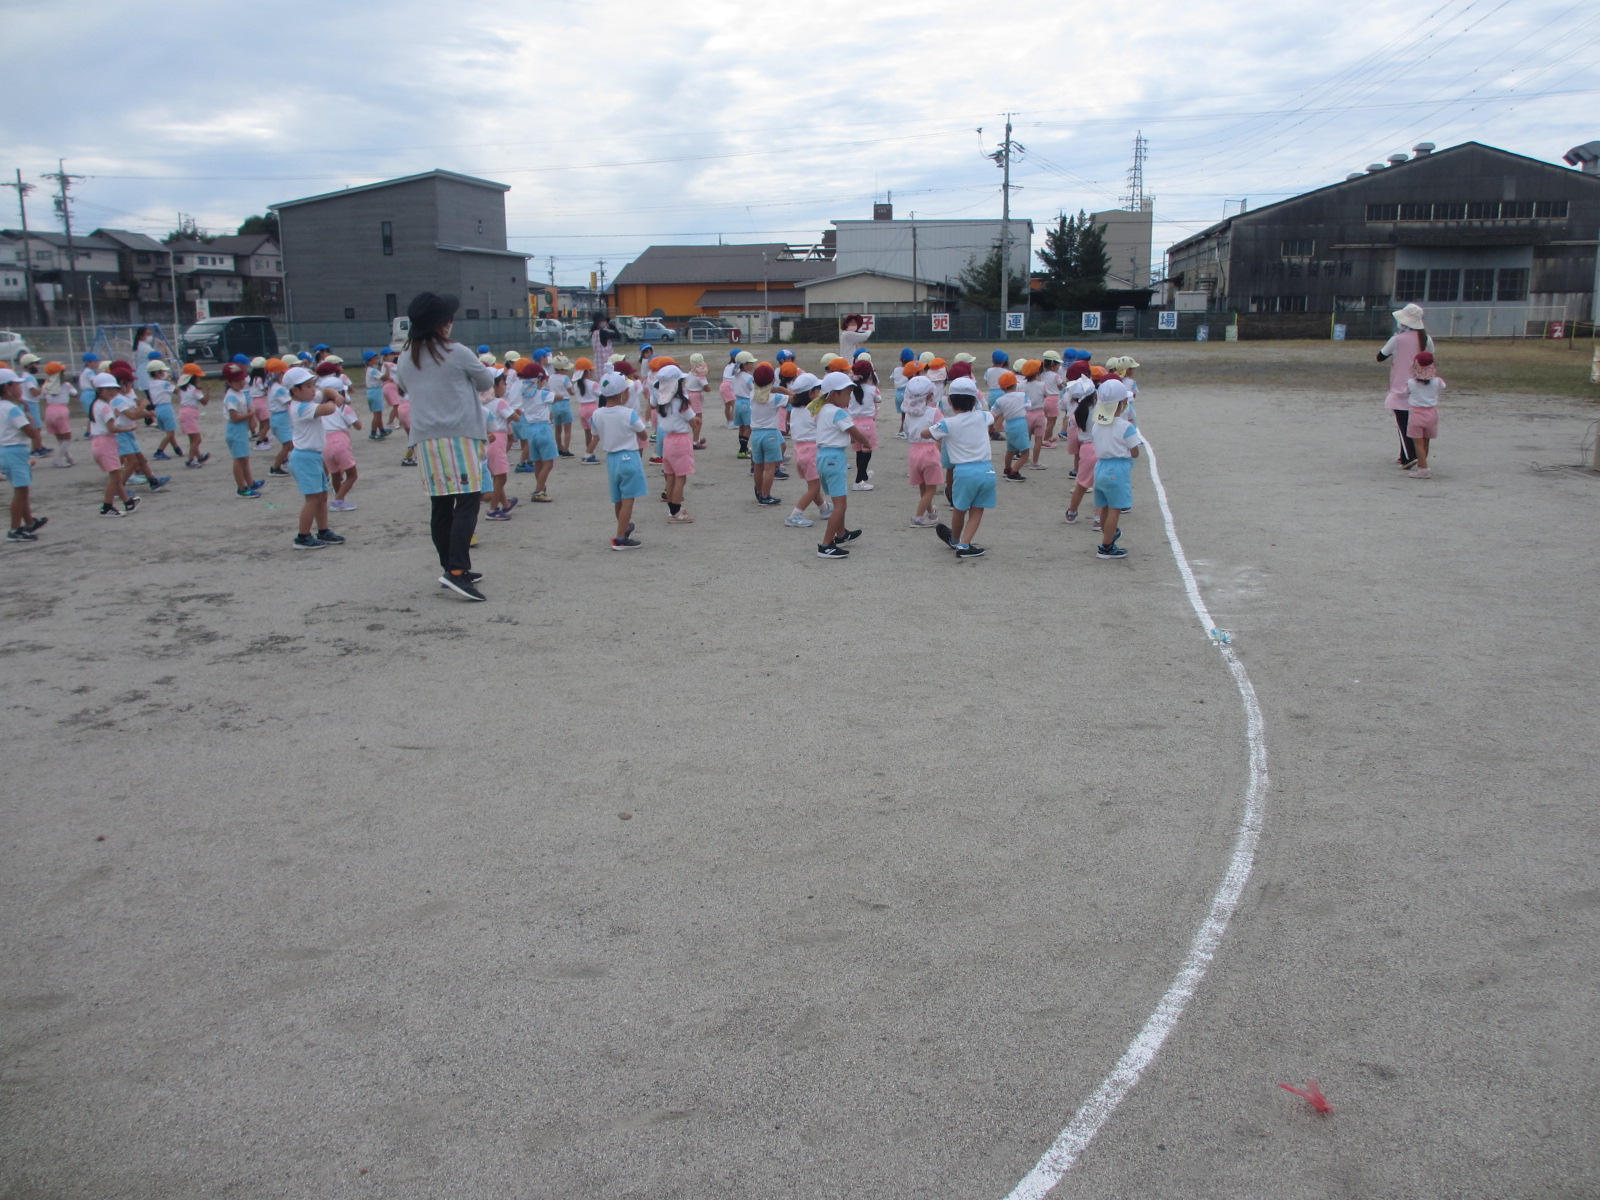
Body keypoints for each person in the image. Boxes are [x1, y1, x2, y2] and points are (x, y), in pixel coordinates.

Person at [396, 291, 495, 599]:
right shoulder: (456, 351)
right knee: (467, 501)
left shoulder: (405, 356)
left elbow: (404, 386)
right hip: (459, 436)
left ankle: (451, 567)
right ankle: (456, 570)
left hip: (425, 439)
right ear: (441, 324)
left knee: (441, 505)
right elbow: (486, 382)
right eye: (448, 319)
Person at [924, 377, 994, 558]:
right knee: (977, 510)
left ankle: (956, 540)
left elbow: (926, 433)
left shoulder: (949, 423)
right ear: (975, 400)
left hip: (964, 472)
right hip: (987, 470)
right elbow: (991, 416)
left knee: (959, 508)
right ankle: (965, 543)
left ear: (949, 401)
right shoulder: (984, 416)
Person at [282, 365, 346, 550]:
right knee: (312, 498)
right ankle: (302, 536)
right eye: (308, 386)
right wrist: (333, 401)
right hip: (304, 458)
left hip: (313, 456)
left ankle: (323, 530)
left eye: (312, 385)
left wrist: (334, 394)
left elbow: (326, 391)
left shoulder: (307, 398)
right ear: (295, 390)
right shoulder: (300, 407)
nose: (313, 390)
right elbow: (327, 409)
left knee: (322, 496)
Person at [812, 370, 870, 559]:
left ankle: (842, 534)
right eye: (847, 393)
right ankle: (826, 545)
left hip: (822, 457)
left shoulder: (822, 409)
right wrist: (866, 442)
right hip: (834, 459)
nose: (849, 397)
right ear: (834, 393)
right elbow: (854, 432)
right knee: (840, 505)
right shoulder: (838, 412)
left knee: (838, 500)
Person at [591, 372, 648, 549]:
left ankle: (622, 529)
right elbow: (643, 434)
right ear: (621, 393)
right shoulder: (628, 413)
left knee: (618, 498)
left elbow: (596, 434)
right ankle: (620, 538)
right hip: (629, 457)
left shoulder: (597, 413)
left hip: (612, 459)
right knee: (628, 498)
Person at [1089, 377, 1143, 560]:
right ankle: (1106, 545)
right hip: (1117, 469)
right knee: (1115, 508)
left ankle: (1108, 536)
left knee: (1103, 507)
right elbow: (1135, 452)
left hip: (1100, 467)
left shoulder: (1097, 425)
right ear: (1123, 402)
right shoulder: (1125, 426)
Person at [1378, 303, 1434, 470]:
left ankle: (1409, 455)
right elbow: (1429, 357)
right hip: (1421, 385)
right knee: (1415, 421)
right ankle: (1409, 454)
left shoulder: (1397, 339)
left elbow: (1380, 356)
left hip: (1401, 386)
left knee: (1403, 423)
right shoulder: (1426, 339)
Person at [0, 368, 47, 542]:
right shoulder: (12, 409)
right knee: (21, 492)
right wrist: (31, 420)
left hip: (5, 450)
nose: (20, 388)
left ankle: (28, 522)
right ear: (7, 387)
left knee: (22, 490)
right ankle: (15, 528)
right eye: (16, 385)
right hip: (15, 451)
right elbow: (31, 433)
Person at [653, 364, 700, 523]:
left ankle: (672, 510)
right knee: (681, 478)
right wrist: (695, 423)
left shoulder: (661, 401)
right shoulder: (681, 402)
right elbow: (692, 422)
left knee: (671, 476)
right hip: (681, 440)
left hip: (668, 440)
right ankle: (677, 512)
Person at [87, 372, 138, 516]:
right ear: (99, 390)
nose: (111, 391)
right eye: (107, 389)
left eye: (113, 388)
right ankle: (107, 506)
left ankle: (128, 502)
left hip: (98, 443)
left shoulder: (97, 404)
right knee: (115, 477)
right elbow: (112, 428)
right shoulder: (104, 406)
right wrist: (130, 428)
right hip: (106, 442)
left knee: (115, 474)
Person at [902, 373, 944, 528]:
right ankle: (918, 517)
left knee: (923, 485)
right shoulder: (934, 412)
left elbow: (907, 431)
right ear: (929, 395)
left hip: (914, 450)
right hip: (929, 450)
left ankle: (931, 511)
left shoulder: (908, 414)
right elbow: (942, 430)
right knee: (932, 487)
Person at [514, 360, 559, 501]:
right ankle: (538, 491)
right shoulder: (543, 394)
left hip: (531, 429)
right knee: (549, 463)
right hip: (543, 428)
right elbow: (560, 397)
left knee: (538, 461)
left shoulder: (524, 395)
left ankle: (540, 486)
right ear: (539, 379)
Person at [320, 370, 363, 512]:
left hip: (324, 443)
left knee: (335, 473)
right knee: (352, 474)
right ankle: (338, 500)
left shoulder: (320, 408)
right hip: (340, 442)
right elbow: (358, 426)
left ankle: (338, 497)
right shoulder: (343, 407)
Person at [220, 363, 262, 498]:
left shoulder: (239, 393)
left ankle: (250, 483)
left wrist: (251, 413)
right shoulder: (231, 396)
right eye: (237, 381)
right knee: (238, 459)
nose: (241, 383)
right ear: (229, 382)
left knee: (244, 458)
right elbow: (235, 417)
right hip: (235, 429)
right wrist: (250, 415)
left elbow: (247, 406)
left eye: (242, 379)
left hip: (241, 429)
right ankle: (241, 487)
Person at [1405, 351, 1443, 479]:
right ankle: (1423, 464)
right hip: (1432, 414)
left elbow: (1406, 391)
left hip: (1416, 414)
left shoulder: (1411, 382)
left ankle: (1423, 469)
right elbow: (1443, 386)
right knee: (1426, 442)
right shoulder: (1437, 381)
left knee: (1418, 443)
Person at [848, 358, 880, 490]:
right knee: (867, 452)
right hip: (868, 423)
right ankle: (859, 479)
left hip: (854, 423)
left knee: (858, 452)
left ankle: (863, 476)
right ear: (869, 375)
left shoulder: (851, 389)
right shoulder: (873, 389)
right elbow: (879, 399)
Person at [992, 370, 1029, 483]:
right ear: (1015, 384)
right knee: (1025, 453)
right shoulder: (1022, 395)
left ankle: (1007, 468)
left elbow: (993, 413)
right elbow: (1029, 405)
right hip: (1020, 423)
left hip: (1009, 424)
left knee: (1010, 449)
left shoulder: (1000, 400)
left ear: (1002, 388)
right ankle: (1014, 472)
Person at [39, 361, 76, 466]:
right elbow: (75, 393)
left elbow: (42, 397)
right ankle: (58, 460)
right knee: (67, 438)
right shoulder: (65, 385)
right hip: (61, 411)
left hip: (49, 411)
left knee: (60, 437)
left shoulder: (46, 385)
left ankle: (69, 458)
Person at [147, 360, 182, 461]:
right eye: (162, 371)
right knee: (170, 433)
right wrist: (176, 382)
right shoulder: (164, 384)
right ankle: (159, 451)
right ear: (157, 372)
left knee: (169, 431)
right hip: (166, 408)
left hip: (157, 408)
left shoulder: (151, 383)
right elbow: (177, 391)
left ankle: (177, 448)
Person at [176, 363, 209, 468]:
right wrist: (208, 391)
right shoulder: (194, 390)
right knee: (197, 439)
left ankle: (199, 456)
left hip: (184, 412)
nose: (199, 379)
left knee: (192, 438)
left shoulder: (182, 388)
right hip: (190, 414)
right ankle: (190, 460)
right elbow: (204, 402)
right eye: (198, 377)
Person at [731, 349, 756, 458]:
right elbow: (754, 389)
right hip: (747, 403)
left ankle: (743, 448)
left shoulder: (735, 376)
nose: (753, 365)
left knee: (741, 427)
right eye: (751, 363)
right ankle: (742, 450)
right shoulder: (749, 377)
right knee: (748, 428)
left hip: (737, 403)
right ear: (745, 364)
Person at [362, 350, 390, 440]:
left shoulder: (369, 370)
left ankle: (382, 430)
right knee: (377, 415)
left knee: (378, 413)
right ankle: (373, 433)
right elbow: (385, 378)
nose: (376, 359)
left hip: (372, 392)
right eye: (374, 358)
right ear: (369, 361)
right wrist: (387, 369)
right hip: (375, 392)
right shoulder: (373, 371)